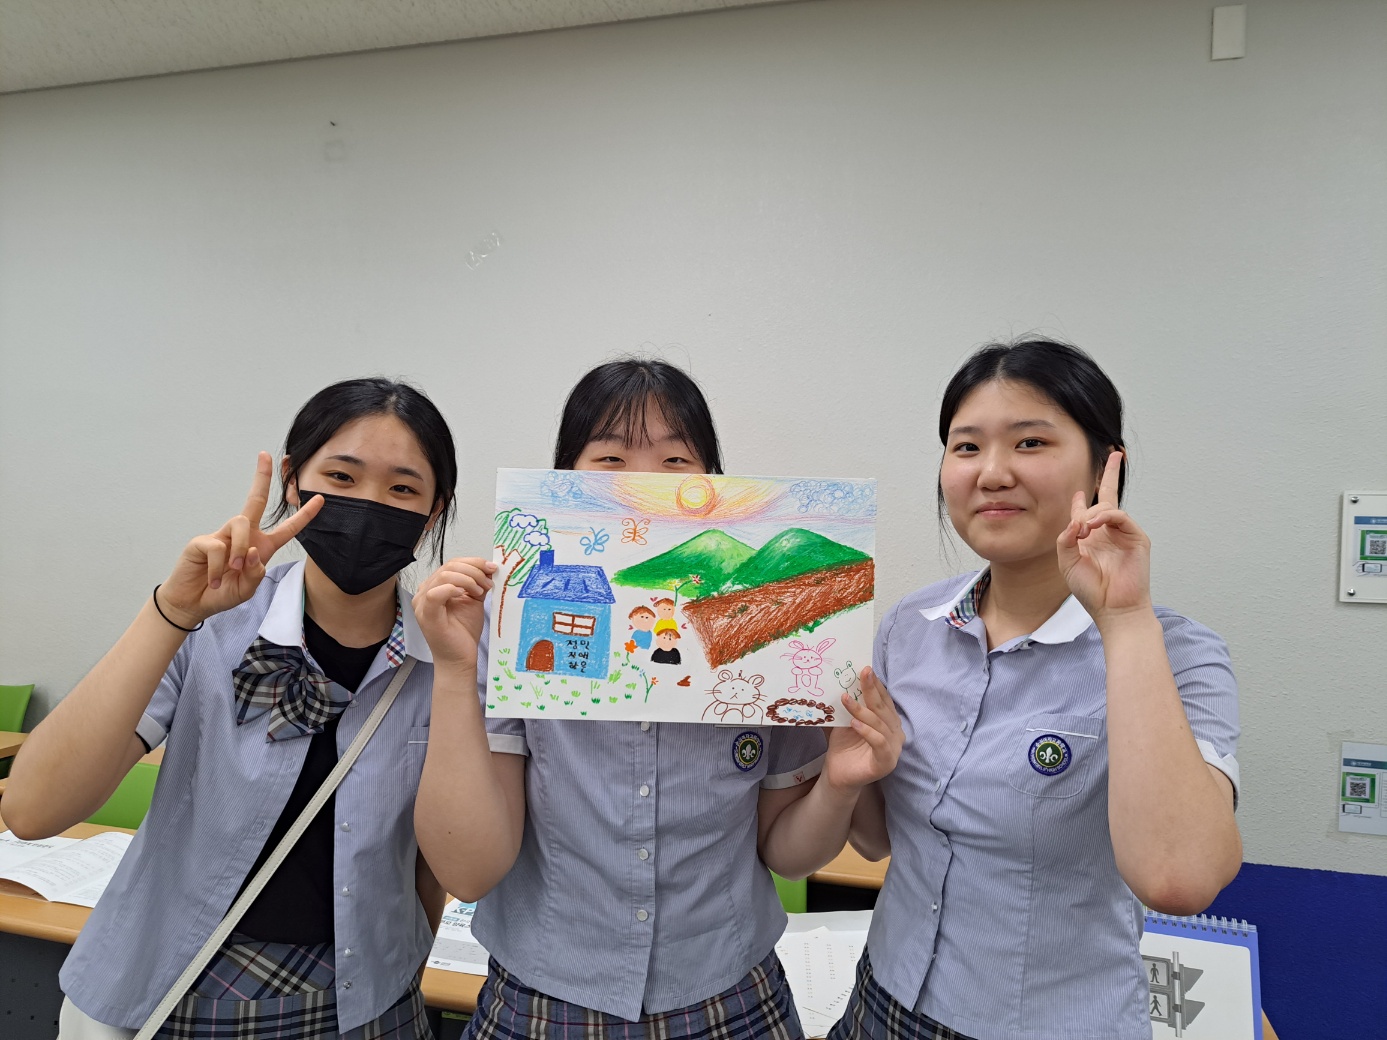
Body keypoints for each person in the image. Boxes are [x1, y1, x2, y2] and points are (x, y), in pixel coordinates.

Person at [411, 358, 903, 1040]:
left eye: (675, 461)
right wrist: (452, 667)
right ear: (565, 479)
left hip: (732, 999)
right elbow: (468, 871)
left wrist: (840, 787)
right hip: (542, 998)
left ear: (710, 482)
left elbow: (789, 857)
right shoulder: (510, 622)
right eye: (610, 459)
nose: (643, 485)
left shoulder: (762, 638)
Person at [6, 378, 459, 1040]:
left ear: (434, 510)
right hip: (180, 985)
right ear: (293, 483)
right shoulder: (214, 626)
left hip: (371, 998)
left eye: (402, 489)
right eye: (341, 476)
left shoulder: (446, 662)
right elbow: (32, 810)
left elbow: (431, 867)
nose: (368, 504)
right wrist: (172, 611)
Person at [830, 340, 1242, 1040]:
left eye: (1030, 442)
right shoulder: (909, 626)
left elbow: (1179, 879)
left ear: (1105, 466)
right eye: (966, 447)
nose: (992, 473)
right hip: (881, 1004)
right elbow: (877, 840)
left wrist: (1123, 617)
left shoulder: (1177, 654)